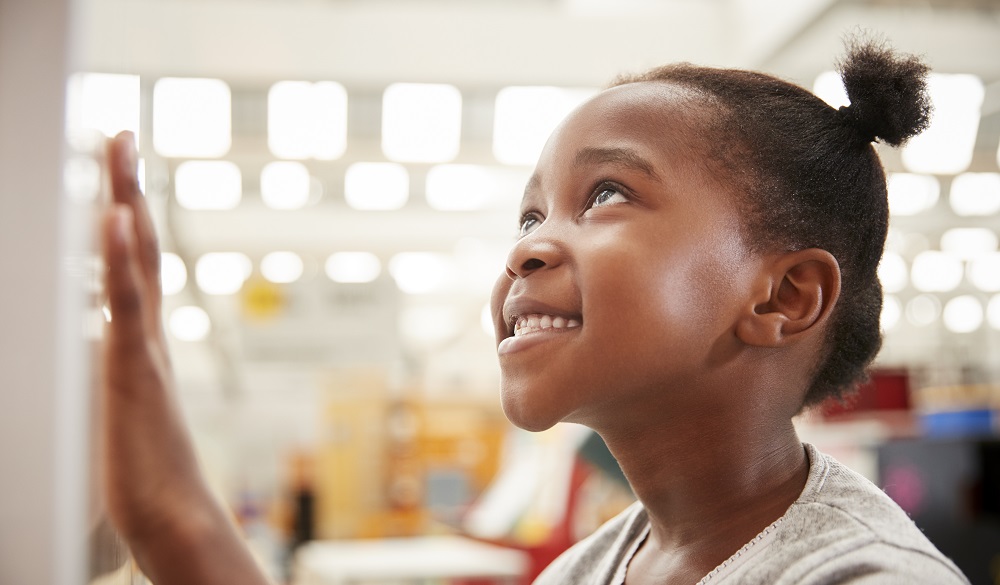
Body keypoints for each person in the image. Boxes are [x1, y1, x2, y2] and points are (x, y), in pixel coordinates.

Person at [99, 37, 970, 584]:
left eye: (606, 195)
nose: (527, 247)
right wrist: (174, 521)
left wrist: (182, 521)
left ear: (782, 296)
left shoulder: (861, 573)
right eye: (530, 214)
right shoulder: (592, 566)